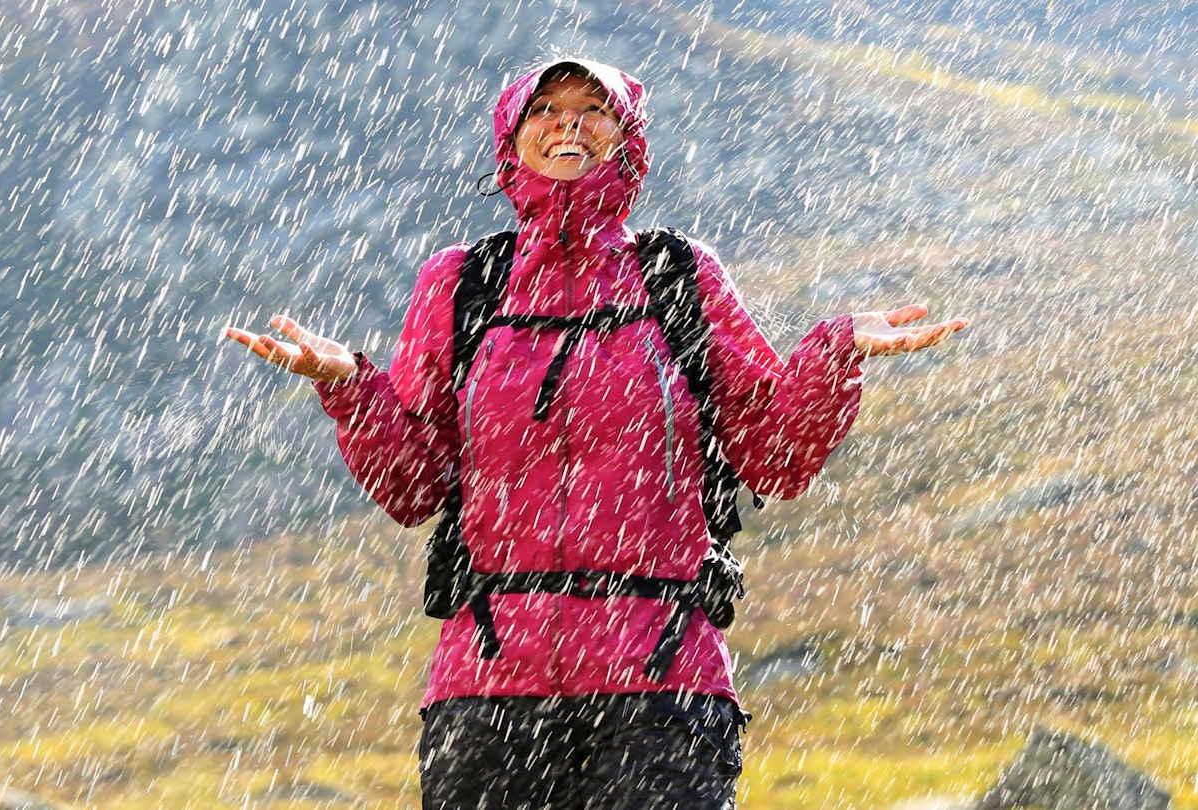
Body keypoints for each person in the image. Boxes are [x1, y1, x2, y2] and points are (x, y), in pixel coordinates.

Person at [226, 58, 966, 809]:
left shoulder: (679, 276)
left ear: (627, 138)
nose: (568, 124)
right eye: (545, 107)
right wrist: (350, 389)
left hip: (661, 690)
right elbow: (417, 486)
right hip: (489, 695)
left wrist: (834, 354)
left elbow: (772, 456)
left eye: (593, 109)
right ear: (511, 137)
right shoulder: (462, 284)